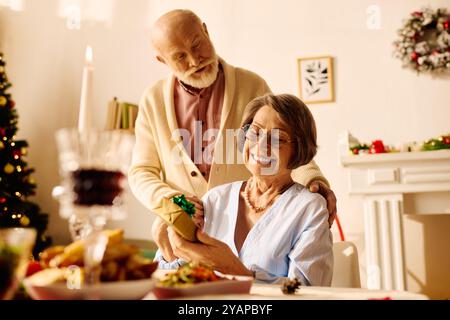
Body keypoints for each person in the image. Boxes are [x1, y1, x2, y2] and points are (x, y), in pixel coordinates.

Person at [128, 10, 337, 260]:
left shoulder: (251, 85)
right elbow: (141, 171)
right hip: (185, 234)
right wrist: (170, 201)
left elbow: (285, 141)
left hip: (247, 232)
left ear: (206, 31)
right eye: (180, 56)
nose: (195, 60)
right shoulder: (152, 101)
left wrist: (315, 181)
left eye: (197, 44)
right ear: (162, 61)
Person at [157, 94, 333, 286]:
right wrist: (166, 244)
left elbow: (308, 295)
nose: (261, 146)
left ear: (299, 149)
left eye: (278, 139)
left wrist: (232, 269)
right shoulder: (216, 198)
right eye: (255, 132)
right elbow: (174, 280)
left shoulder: (310, 208)